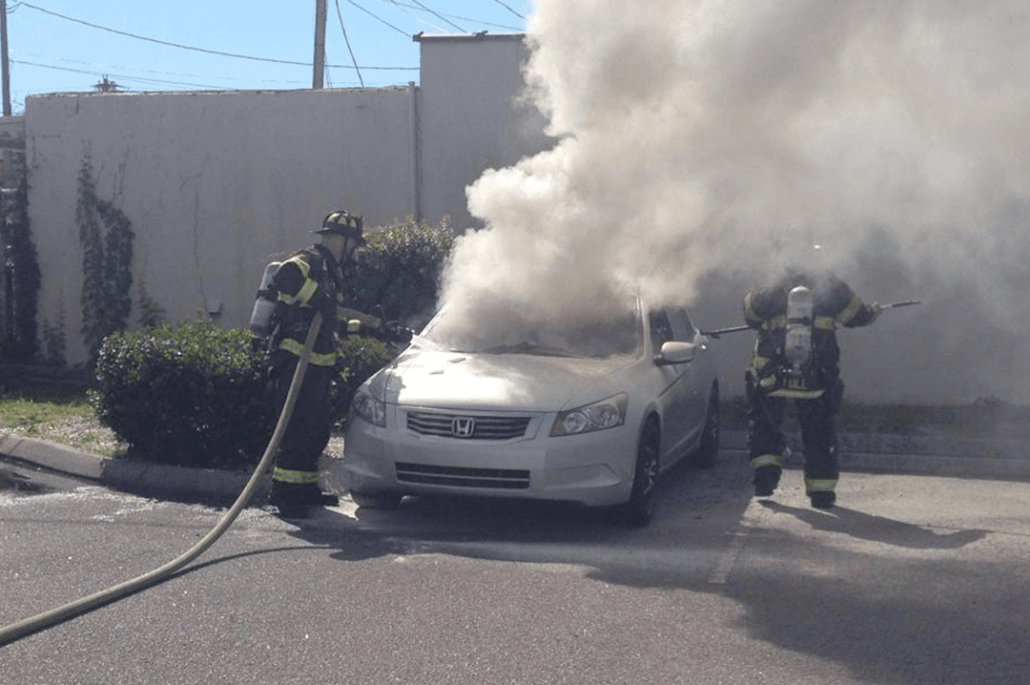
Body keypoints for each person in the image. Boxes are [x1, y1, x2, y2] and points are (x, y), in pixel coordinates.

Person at [264, 209, 404, 518]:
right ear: (341, 240)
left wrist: (369, 328)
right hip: (296, 360)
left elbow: (329, 323)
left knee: (315, 431)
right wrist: (318, 296)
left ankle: (304, 488)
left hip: (317, 364)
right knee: (298, 429)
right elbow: (285, 277)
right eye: (354, 244)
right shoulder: (312, 260)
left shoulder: (330, 271)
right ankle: (285, 495)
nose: (355, 253)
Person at [742, 267, 880, 509]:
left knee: (765, 423)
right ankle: (821, 493)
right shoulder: (830, 283)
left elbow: (750, 315)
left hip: (771, 372)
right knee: (819, 429)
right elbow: (855, 316)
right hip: (816, 373)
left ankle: (764, 481)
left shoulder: (771, 280)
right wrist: (872, 312)